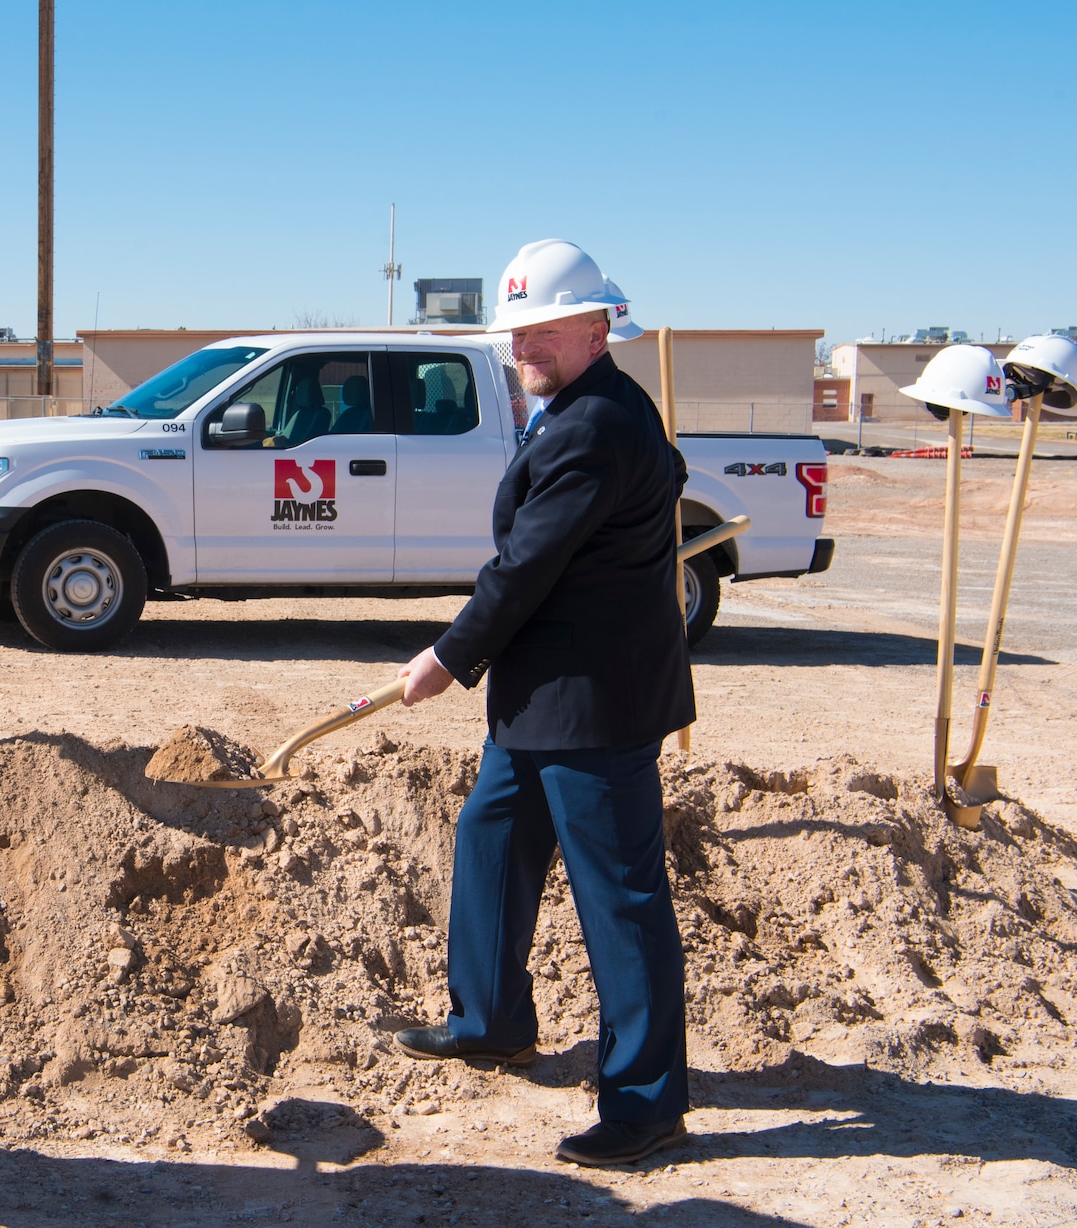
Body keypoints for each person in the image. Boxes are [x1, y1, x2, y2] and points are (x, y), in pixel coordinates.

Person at [389, 239, 695, 1168]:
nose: (526, 342)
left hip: (594, 706)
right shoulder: (574, 410)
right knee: (490, 838)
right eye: (518, 327)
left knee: (622, 899)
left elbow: (527, 565)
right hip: (540, 700)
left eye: (546, 327)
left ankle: (645, 1105)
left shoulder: (598, 424)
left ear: (600, 327)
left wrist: (449, 654)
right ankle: (489, 1020)